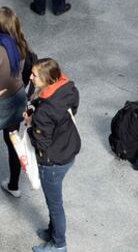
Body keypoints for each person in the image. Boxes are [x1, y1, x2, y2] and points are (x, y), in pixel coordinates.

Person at [24, 58, 80, 252]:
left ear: (48, 79)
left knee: (54, 204)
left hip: (53, 162)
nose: (31, 78)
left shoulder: (44, 113)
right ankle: (52, 231)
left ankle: (59, 244)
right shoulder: (69, 89)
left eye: (34, 76)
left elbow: (41, 143)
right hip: (68, 149)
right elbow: (71, 111)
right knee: (54, 202)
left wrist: (31, 125)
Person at [0, 6, 29, 198]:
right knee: (13, 142)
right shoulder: (21, 44)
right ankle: (14, 185)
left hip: (2, 102)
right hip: (18, 99)